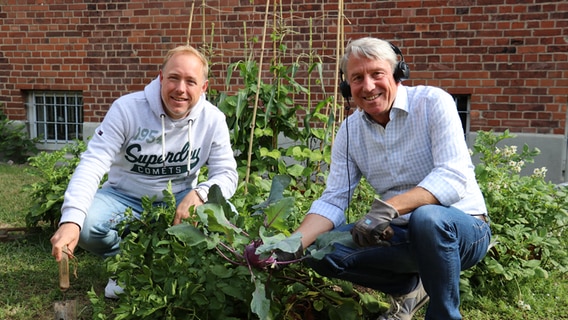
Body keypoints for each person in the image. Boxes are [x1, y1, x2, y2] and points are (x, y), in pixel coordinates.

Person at [283, 37, 491, 320]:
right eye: (357, 78)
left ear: (396, 74)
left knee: (428, 218)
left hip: (463, 229)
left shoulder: (433, 103)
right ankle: (408, 289)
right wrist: (288, 246)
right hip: (400, 234)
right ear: (347, 87)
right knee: (321, 250)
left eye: (376, 74)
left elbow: (452, 177)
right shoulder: (350, 131)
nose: (368, 87)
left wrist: (389, 207)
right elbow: (334, 199)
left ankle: (444, 315)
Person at [50, 45, 238, 298]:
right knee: (86, 226)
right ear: (161, 78)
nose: (180, 89)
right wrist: (71, 219)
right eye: (174, 78)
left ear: (203, 87)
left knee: (227, 217)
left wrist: (201, 193)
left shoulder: (213, 119)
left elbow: (227, 173)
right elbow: (93, 162)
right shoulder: (127, 109)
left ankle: (181, 266)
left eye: (191, 81)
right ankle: (124, 262)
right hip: (122, 196)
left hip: (179, 198)